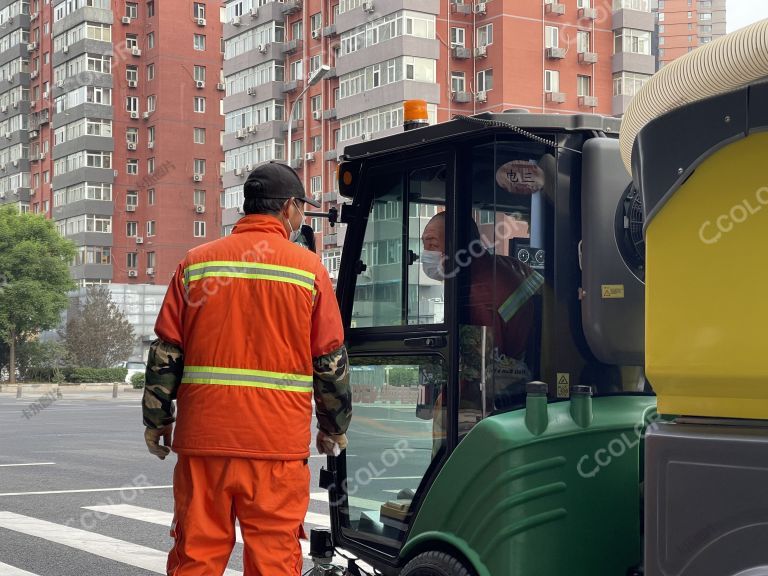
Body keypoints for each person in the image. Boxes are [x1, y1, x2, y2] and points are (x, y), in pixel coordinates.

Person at [142, 161, 352, 576]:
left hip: (205, 443)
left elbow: (167, 351)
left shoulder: (197, 263)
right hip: (276, 447)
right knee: (274, 558)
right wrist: (334, 426)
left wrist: (156, 420)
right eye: (300, 210)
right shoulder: (309, 271)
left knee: (197, 555)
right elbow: (328, 360)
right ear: (290, 207)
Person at [421, 211, 544, 447]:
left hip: (500, 400)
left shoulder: (474, 294)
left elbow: (476, 374)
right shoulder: (507, 265)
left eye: (432, 245)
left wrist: (444, 403)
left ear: (456, 245)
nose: (426, 254)